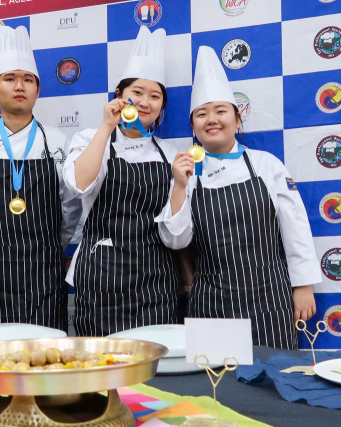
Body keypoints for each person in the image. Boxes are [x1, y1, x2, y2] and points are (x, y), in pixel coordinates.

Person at [156, 46, 319, 349]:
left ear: (237, 118)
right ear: (193, 126)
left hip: (269, 299)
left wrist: (303, 286)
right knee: (216, 390)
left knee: (273, 387)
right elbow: (176, 240)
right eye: (201, 114)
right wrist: (179, 186)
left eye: (220, 111)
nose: (212, 120)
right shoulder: (188, 175)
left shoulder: (265, 164)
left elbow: (294, 227)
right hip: (211, 304)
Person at [0, 26, 81, 330]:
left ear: (38, 89)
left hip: (46, 276)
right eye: (10, 79)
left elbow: (71, 209)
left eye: (28, 79)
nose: (19, 86)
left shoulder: (59, 143)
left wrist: (48, 247)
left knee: (48, 365)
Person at [64, 26, 181, 336]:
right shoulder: (90, 138)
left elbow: (178, 224)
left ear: (161, 108)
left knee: (156, 374)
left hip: (156, 279)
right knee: (104, 370)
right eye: (137, 93)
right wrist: (106, 126)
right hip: (102, 277)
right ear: (119, 96)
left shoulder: (171, 155)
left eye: (155, 96)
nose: (145, 102)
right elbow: (78, 185)